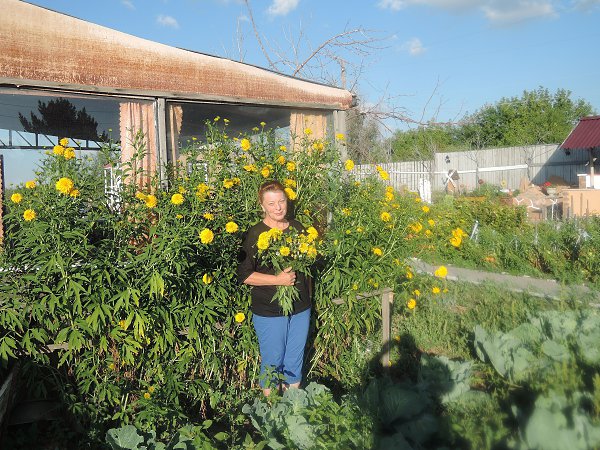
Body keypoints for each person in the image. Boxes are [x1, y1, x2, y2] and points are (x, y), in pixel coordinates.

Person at [237, 180, 312, 396]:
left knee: (294, 363)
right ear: (262, 206)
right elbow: (245, 275)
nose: (278, 207)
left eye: (282, 201)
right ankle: (271, 413)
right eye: (271, 204)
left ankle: (291, 410)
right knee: (272, 363)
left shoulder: (297, 228)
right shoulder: (254, 234)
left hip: (300, 307)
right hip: (269, 310)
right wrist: (278, 280)